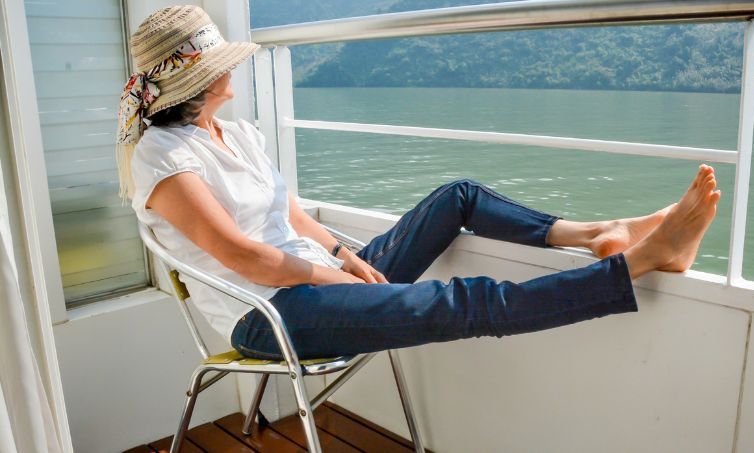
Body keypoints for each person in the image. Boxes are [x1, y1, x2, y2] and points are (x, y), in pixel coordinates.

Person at [117, 6, 721, 360]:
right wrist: (333, 276)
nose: (234, 71)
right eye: (221, 65)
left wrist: (347, 256)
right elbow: (244, 256)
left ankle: (597, 233)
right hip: (268, 315)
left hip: (317, 277)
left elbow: (291, 215)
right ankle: (637, 263)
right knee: (465, 301)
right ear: (195, 82)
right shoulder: (162, 157)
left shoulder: (236, 132)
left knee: (457, 196)